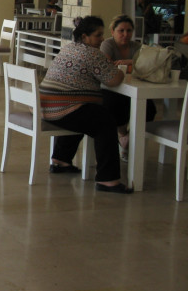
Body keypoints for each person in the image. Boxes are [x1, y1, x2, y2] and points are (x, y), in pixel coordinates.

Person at [39, 16, 133, 193]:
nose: (102, 39)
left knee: (86, 111)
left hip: (45, 105)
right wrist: (120, 70)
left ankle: (61, 160)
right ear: (84, 37)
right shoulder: (92, 54)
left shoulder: (69, 48)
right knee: (105, 122)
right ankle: (108, 180)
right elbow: (114, 79)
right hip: (60, 109)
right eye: (98, 35)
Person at [100, 14, 157, 160]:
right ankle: (122, 134)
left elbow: (146, 66)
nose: (125, 34)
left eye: (129, 31)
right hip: (109, 88)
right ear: (113, 31)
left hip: (132, 87)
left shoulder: (136, 46)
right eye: (121, 31)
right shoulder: (107, 44)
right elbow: (108, 66)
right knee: (115, 104)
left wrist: (127, 62)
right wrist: (133, 63)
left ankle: (130, 138)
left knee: (149, 108)